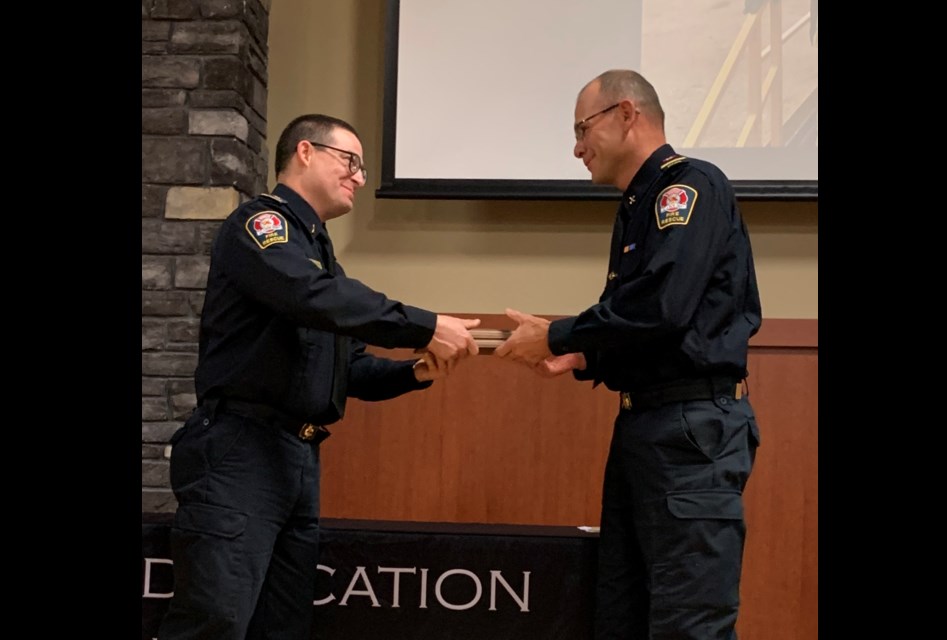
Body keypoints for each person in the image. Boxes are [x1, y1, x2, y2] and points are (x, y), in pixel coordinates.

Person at [157, 113, 480, 640]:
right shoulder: (262, 227)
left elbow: (347, 366)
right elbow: (313, 298)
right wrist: (424, 324)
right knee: (213, 622)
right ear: (305, 152)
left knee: (282, 627)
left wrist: (416, 372)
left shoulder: (319, 256)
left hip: (297, 458)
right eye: (349, 161)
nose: (358, 176)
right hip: (243, 451)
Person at [495, 70, 762, 639]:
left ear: (625, 113)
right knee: (624, 613)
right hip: (649, 424)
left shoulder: (685, 189)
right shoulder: (640, 202)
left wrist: (560, 336)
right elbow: (658, 329)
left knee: (689, 622)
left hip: (690, 431)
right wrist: (586, 359)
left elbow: (662, 306)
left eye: (581, 128)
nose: (576, 147)